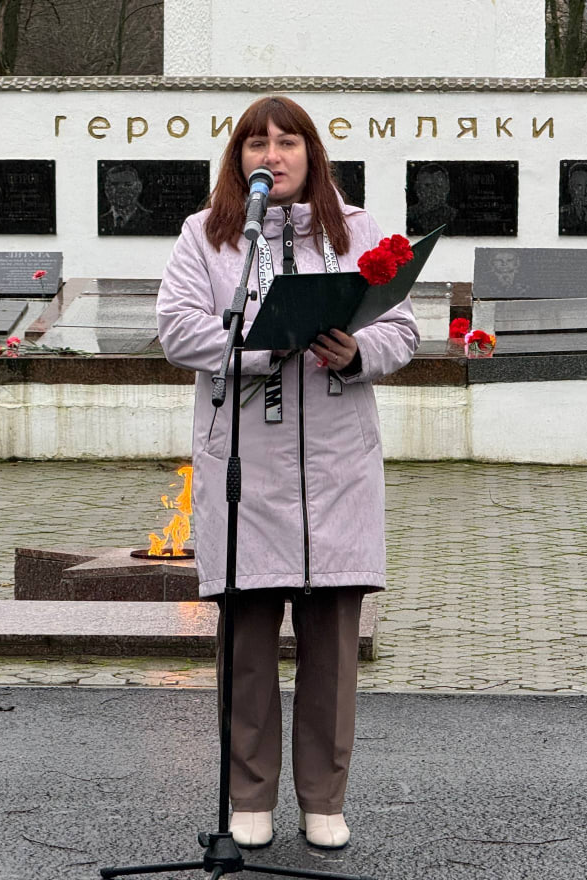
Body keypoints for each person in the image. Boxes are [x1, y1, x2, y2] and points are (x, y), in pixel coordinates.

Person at [157, 96, 419, 852]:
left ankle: (323, 798)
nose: (272, 155)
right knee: (245, 639)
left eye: (288, 141)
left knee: (333, 642)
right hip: (247, 465)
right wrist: (264, 345)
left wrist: (358, 350)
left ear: (312, 154)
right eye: (256, 144)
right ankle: (249, 795)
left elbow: (402, 325)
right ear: (238, 159)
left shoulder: (361, 232)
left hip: (335, 463)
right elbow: (177, 326)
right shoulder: (206, 237)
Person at [99, 164, 155, 234]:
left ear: (138, 187)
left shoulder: (153, 220)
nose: (120, 190)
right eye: (114, 184)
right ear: (106, 189)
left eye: (127, 185)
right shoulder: (99, 221)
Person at [406, 163, 458, 235]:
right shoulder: (408, 215)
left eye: (439, 186)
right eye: (427, 185)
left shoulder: (455, 216)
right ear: (417, 188)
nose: (433, 190)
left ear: (447, 188)